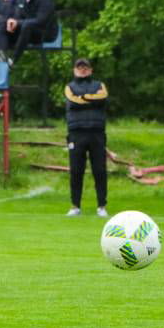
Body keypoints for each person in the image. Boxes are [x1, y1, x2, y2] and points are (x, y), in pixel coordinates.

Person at [65, 58, 109, 217]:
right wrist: (91, 98)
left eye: (85, 67)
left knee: (100, 170)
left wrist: (83, 97)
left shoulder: (100, 85)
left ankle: (102, 206)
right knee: (76, 171)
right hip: (76, 133)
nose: (82, 70)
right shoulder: (70, 87)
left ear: (91, 70)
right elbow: (73, 101)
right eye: (79, 67)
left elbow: (102, 97)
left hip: (97, 132)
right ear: (74, 70)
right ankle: (75, 205)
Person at [0, 0, 57, 67]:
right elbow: (17, 16)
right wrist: (11, 23)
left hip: (45, 33)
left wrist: (18, 22)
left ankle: (12, 61)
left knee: (26, 26)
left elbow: (40, 21)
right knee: (3, 25)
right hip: (27, 32)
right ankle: (2, 59)